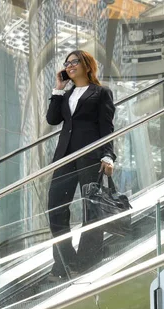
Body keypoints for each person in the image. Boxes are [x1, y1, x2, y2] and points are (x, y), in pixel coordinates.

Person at [46, 50, 116, 281]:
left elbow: (107, 127)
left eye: (74, 62)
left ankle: (87, 261)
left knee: (91, 209)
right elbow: (52, 119)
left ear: (87, 65)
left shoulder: (101, 93)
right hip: (65, 157)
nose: (69, 66)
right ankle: (66, 262)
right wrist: (58, 88)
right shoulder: (67, 95)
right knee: (55, 208)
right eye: (67, 63)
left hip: (90, 157)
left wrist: (108, 156)